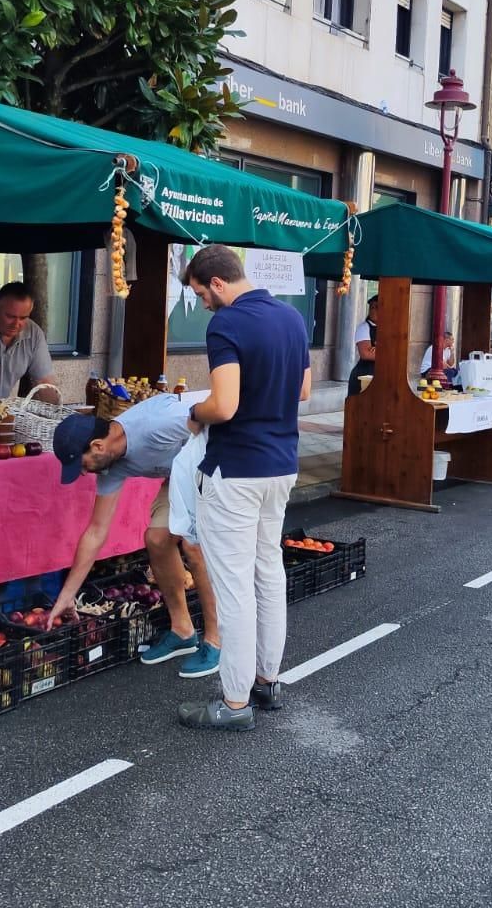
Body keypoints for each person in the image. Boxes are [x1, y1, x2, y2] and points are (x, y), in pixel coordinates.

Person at [178, 246, 310, 731]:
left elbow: (225, 405)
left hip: (234, 470)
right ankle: (267, 682)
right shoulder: (292, 319)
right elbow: (301, 392)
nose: (203, 304)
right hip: (281, 465)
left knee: (234, 590)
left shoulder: (226, 325)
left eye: (199, 293)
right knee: (268, 574)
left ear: (216, 283)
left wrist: (195, 414)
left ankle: (234, 704)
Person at [48, 397, 222, 679]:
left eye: (82, 464)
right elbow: (96, 531)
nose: (82, 473)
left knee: (193, 546)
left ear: (97, 446)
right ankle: (182, 631)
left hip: (212, 466)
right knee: (157, 540)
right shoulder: (110, 464)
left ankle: (216, 640)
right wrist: (67, 596)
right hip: (180, 475)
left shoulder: (157, 426)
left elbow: (213, 418)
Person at [346, 295, 378, 397]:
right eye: (371, 307)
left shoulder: (387, 328)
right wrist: (385, 354)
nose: (373, 310)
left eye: (376, 307)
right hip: (364, 375)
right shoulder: (364, 328)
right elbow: (366, 354)